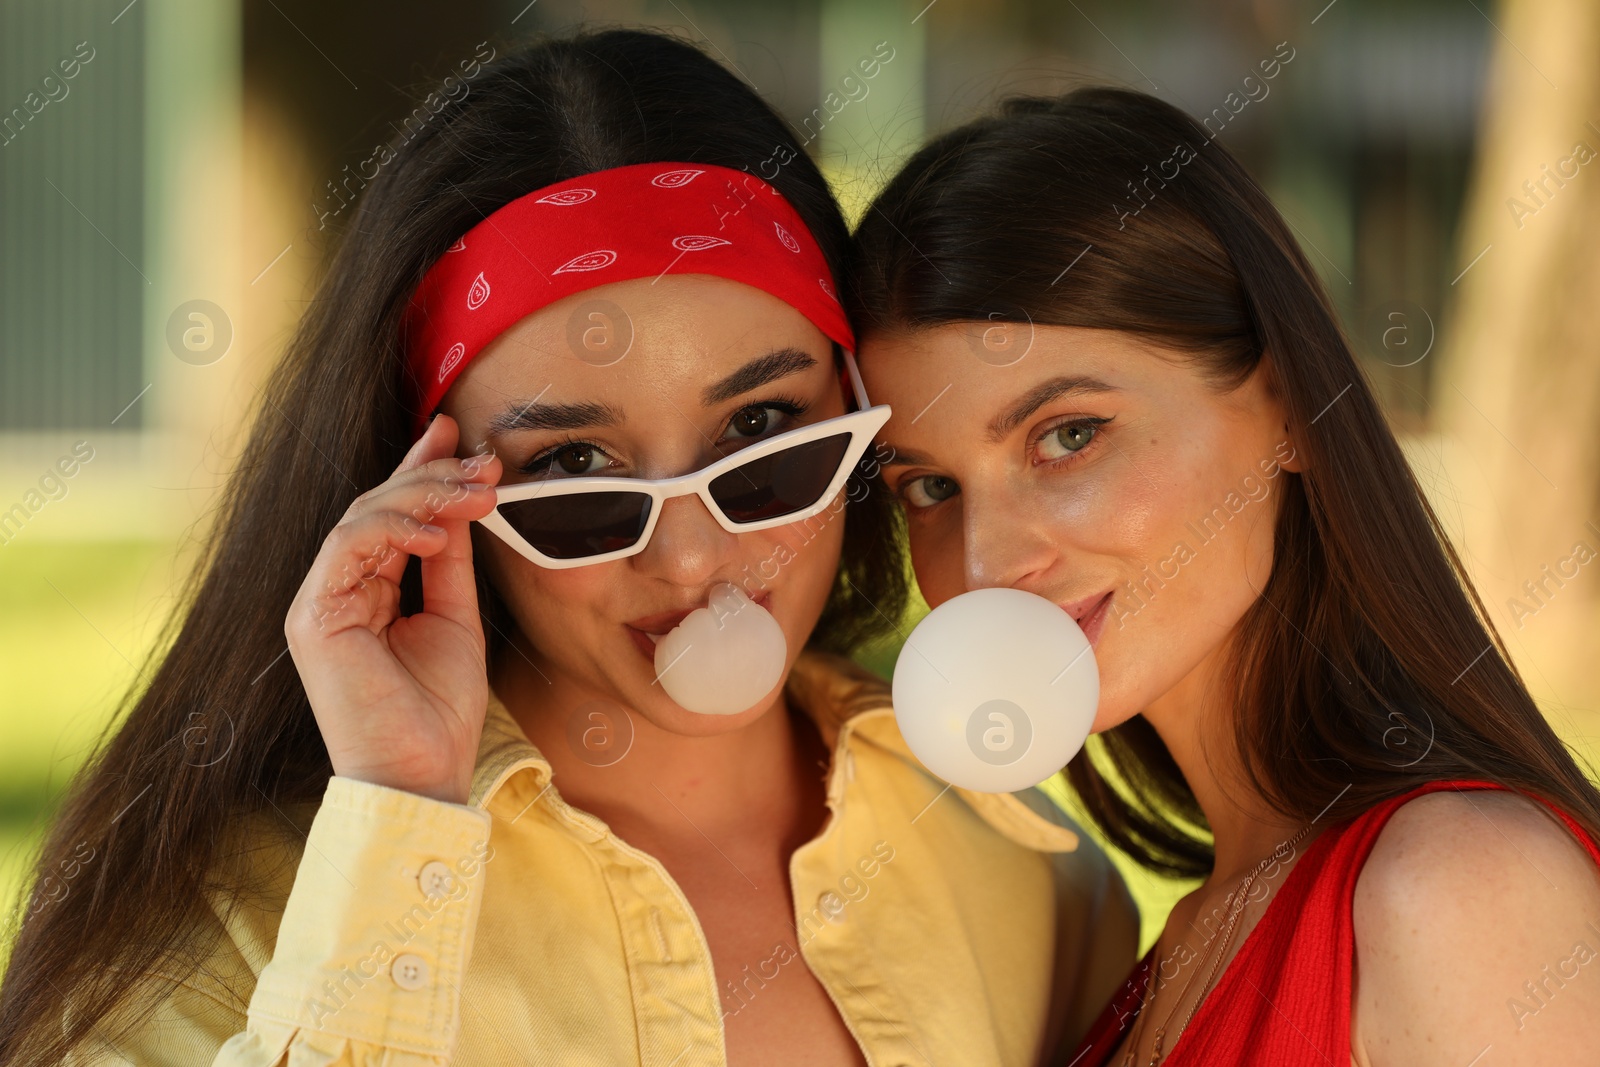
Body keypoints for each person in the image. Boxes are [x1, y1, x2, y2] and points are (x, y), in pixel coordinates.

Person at [0, 31, 1136, 1067]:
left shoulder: (1036, 883)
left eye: (763, 433)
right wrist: (398, 814)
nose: (691, 558)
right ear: (428, 490)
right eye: (576, 472)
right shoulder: (217, 934)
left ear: (858, 415)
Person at [847, 86, 1600, 1066]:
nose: (987, 561)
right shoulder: (1167, 950)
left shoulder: (1459, 888)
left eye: (1066, 435)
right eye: (930, 485)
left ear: (1285, 404)